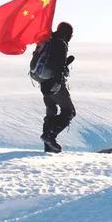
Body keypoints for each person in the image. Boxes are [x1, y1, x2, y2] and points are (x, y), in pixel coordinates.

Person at [39, 22, 76, 152]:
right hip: (54, 83)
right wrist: (58, 82)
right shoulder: (60, 43)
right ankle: (50, 136)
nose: (71, 37)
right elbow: (58, 65)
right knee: (69, 111)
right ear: (67, 33)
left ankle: (48, 146)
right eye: (71, 34)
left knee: (51, 111)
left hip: (43, 82)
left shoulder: (48, 40)